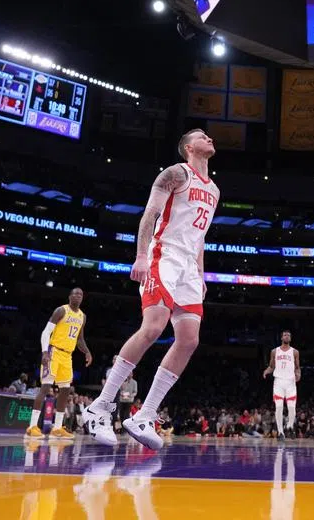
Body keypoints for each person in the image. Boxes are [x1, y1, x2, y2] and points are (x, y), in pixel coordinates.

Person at [83, 129, 219, 449]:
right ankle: (100, 406)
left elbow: (199, 237)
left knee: (189, 340)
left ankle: (145, 414)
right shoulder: (175, 173)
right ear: (189, 147)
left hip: (189, 267)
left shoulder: (214, 189)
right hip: (163, 255)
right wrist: (141, 256)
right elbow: (150, 214)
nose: (209, 138)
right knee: (154, 327)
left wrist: (200, 274)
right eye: (202, 136)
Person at [26, 287, 92, 439]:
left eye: (81, 294)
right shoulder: (61, 311)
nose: (78, 296)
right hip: (53, 352)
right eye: (75, 293)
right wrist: (44, 352)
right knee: (45, 387)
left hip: (67, 356)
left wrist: (87, 352)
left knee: (65, 391)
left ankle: (57, 428)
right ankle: (32, 426)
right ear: (70, 296)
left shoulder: (82, 316)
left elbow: (80, 339)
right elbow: (46, 332)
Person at [262, 330, 300, 438]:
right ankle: (280, 432)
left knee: (292, 408)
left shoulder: (295, 352)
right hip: (278, 382)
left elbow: (297, 368)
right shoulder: (274, 351)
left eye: (288, 335)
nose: (287, 336)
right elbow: (271, 366)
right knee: (278, 407)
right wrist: (266, 371)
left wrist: (298, 374)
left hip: (290, 382)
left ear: (290, 338)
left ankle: (289, 426)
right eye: (285, 335)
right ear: (281, 338)